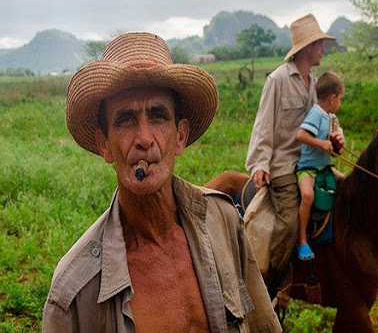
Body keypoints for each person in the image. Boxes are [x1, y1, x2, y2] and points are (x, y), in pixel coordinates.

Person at [42, 32, 281, 332]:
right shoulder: (75, 291)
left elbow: (262, 325)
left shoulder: (224, 221)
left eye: (158, 116)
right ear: (104, 145)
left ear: (180, 136)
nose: (144, 139)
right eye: (126, 119)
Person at [245, 14, 341, 296]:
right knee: (288, 224)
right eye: (320, 44)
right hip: (285, 165)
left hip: (311, 161)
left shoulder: (314, 83)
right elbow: (263, 125)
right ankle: (268, 289)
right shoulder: (277, 80)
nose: (323, 49)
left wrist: (337, 135)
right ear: (307, 48)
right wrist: (260, 163)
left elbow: (327, 116)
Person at [296, 71, 345, 260]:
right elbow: (301, 135)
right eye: (340, 98)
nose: (340, 103)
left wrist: (336, 140)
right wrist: (321, 143)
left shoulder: (330, 117)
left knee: (347, 184)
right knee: (307, 195)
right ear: (333, 98)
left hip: (325, 167)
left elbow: (333, 138)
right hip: (308, 168)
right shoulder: (316, 113)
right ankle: (302, 241)